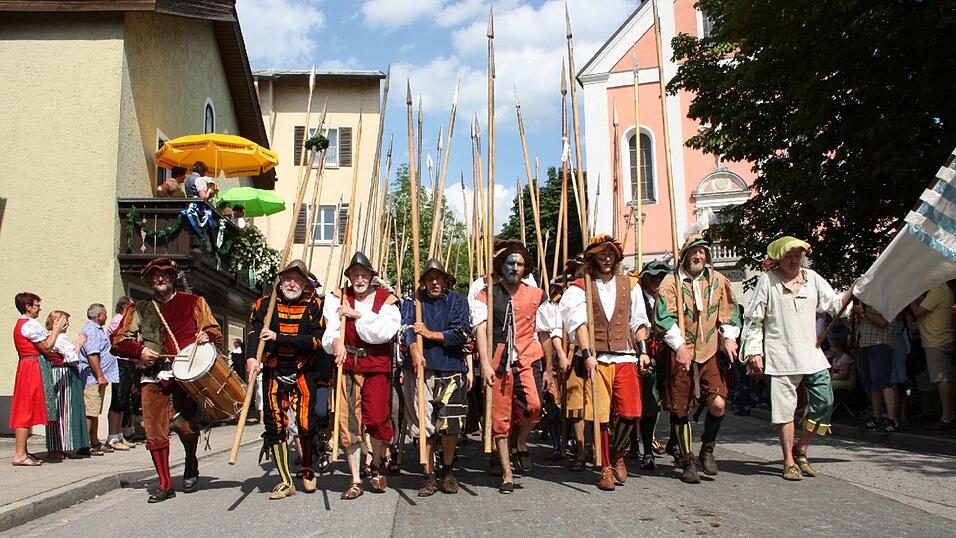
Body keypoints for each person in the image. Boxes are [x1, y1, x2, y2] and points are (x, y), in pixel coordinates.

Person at [112, 257, 221, 502]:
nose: (159, 278)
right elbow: (118, 341)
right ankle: (165, 484)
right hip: (153, 377)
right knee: (154, 432)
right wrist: (140, 351)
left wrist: (207, 336)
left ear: (173, 277)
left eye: (164, 274)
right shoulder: (139, 308)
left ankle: (191, 462)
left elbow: (214, 330)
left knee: (187, 428)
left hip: (186, 378)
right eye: (154, 275)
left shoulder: (194, 302)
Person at [741, 236, 849, 481]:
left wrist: (854, 289)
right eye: (789, 256)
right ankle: (789, 461)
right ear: (779, 258)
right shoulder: (767, 280)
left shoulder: (813, 278)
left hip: (811, 354)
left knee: (824, 401)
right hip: (781, 356)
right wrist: (754, 351)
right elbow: (754, 319)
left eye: (798, 255)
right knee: (785, 411)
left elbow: (834, 304)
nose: (794, 260)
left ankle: (802, 449)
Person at [560, 234, 651, 491]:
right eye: (601, 254)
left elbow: (638, 320)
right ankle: (605, 467)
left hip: (626, 356)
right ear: (593, 258)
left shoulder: (630, 285)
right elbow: (578, 323)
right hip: (598, 358)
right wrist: (587, 354)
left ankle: (617, 452)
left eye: (610, 254)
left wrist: (643, 351)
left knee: (630, 412)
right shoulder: (581, 287)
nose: (606, 258)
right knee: (600, 416)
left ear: (617, 257)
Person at [654, 233, 740, 484]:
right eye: (694, 251)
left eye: (702, 251)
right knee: (681, 408)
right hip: (680, 349)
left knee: (718, 403)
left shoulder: (718, 280)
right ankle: (686, 459)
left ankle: (707, 449)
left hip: (708, 350)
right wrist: (679, 345)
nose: (698, 255)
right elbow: (663, 317)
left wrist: (729, 337)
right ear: (685, 255)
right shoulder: (671, 282)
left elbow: (729, 313)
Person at [471, 240, 551, 494]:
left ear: (525, 268)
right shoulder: (486, 294)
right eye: (510, 263)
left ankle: (521, 441)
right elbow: (480, 330)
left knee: (535, 406)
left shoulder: (537, 295)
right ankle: (507, 474)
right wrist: (485, 364)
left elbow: (545, 331)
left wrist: (549, 368)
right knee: (500, 418)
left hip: (528, 356)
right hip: (498, 361)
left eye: (519, 264)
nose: (514, 268)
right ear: (501, 266)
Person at [322, 252, 401, 500]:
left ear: (370, 276)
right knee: (349, 425)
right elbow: (332, 329)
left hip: (376, 366)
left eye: (363, 275)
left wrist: (358, 315)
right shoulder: (337, 297)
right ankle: (356, 479)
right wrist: (336, 343)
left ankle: (376, 464)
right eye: (355, 275)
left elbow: (384, 332)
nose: (359, 279)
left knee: (377, 419)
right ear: (349, 277)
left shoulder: (386, 300)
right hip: (348, 365)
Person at [246, 260, 324, 499]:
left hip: (303, 369)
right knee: (275, 424)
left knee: (306, 423)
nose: (292, 284)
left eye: (297, 280)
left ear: (304, 283)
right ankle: (285, 480)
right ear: (280, 280)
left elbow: (314, 342)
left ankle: (307, 469)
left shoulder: (314, 305)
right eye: (288, 279)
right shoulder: (264, 304)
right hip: (274, 368)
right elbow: (255, 332)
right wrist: (251, 358)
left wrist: (278, 338)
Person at [400, 258, 471, 496]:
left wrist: (429, 334)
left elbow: (462, 333)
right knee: (424, 425)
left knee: (450, 425)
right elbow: (405, 329)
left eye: (438, 278)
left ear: (445, 280)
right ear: (424, 281)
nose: (434, 283)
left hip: (451, 367)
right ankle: (429, 475)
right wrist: (414, 349)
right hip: (420, 369)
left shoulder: (457, 301)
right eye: (429, 279)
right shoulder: (413, 301)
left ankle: (448, 470)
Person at [11, 293, 68, 466]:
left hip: (31, 365)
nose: (39, 308)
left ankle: (23, 452)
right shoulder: (28, 325)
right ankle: (20, 454)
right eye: (36, 305)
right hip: (32, 367)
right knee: (26, 408)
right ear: (27, 307)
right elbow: (47, 346)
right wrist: (56, 330)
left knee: (28, 407)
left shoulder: (26, 324)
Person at [634, 260, 672, 470]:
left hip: (671, 357)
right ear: (646, 279)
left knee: (676, 403)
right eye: (654, 277)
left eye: (662, 277)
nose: (658, 280)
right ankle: (647, 451)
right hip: (648, 358)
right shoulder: (638, 300)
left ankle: (676, 446)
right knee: (649, 406)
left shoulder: (672, 299)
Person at [43, 311, 90, 459]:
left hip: (59, 373)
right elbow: (73, 360)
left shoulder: (52, 337)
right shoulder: (59, 338)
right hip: (63, 374)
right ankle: (56, 447)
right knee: (62, 410)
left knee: (60, 410)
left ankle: (58, 446)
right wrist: (78, 345)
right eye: (64, 320)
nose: (67, 323)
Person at [909, 283, 955, 430]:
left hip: (936, 341)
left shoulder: (937, 290)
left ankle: (946, 418)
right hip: (939, 339)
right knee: (946, 380)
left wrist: (910, 299)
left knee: (941, 381)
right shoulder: (942, 290)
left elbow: (918, 312)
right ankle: (949, 414)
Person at [852, 302, 903, 433]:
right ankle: (877, 417)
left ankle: (892, 419)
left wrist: (863, 312)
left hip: (880, 342)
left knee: (884, 381)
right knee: (873, 383)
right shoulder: (868, 300)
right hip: (865, 342)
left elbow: (883, 321)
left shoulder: (887, 300)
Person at [78, 303, 120, 456]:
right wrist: (100, 375)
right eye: (105, 314)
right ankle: (85, 445)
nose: (106, 317)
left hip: (97, 378)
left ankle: (95, 442)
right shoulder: (91, 330)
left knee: (94, 412)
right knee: (90, 412)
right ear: (98, 316)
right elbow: (92, 355)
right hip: (92, 378)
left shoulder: (97, 330)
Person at [828, 325, 855, 392]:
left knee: (831, 385)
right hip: (836, 378)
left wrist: (833, 378)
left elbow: (844, 375)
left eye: (832, 346)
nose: (830, 349)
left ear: (839, 347)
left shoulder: (845, 358)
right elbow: (833, 371)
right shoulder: (835, 359)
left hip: (846, 380)